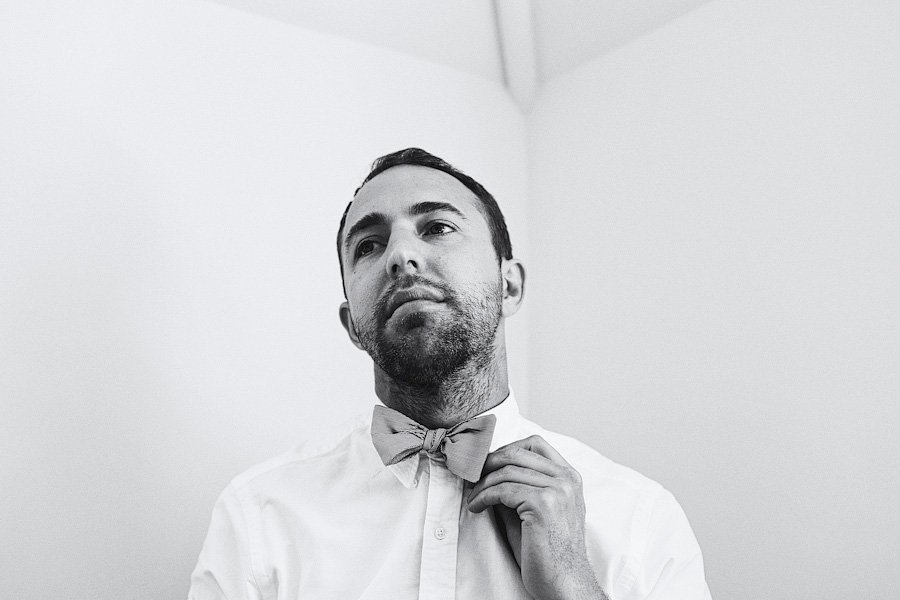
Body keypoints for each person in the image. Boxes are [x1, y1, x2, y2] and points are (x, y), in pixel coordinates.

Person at [188, 148, 712, 599]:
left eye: (437, 228)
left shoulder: (640, 517)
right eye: (369, 245)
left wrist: (574, 587)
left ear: (509, 286)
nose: (401, 256)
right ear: (353, 325)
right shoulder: (258, 515)